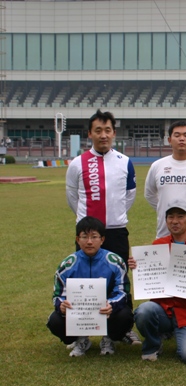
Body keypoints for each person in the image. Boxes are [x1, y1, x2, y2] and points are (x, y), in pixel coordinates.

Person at [65, 109, 140, 345]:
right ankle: (82, 331)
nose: (103, 135)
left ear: (114, 133)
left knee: (120, 279)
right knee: (84, 278)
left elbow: (129, 195)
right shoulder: (77, 163)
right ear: (90, 134)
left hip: (116, 230)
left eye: (108, 130)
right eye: (98, 130)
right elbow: (72, 196)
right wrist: (87, 223)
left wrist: (114, 215)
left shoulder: (124, 162)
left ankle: (123, 328)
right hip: (88, 232)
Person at [129, 202, 186, 363]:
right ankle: (153, 345)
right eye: (170, 217)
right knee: (144, 311)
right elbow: (150, 274)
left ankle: (182, 332)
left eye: (180, 217)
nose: (175, 221)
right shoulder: (158, 245)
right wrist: (138, 266)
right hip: (162, 308)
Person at [47, 216, 134, 357]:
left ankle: (109, 338)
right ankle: (80, 339)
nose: (89, 242)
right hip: (79, 312)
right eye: (84, 237)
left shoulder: (115, 262)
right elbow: (58, 295)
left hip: (106, 312)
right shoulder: (67, 265)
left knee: (125, 315)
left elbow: (123, 292)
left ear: (102, 239)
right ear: (77, 239)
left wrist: (111, 305)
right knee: (55, 321)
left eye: (94, 237)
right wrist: (61, 305)